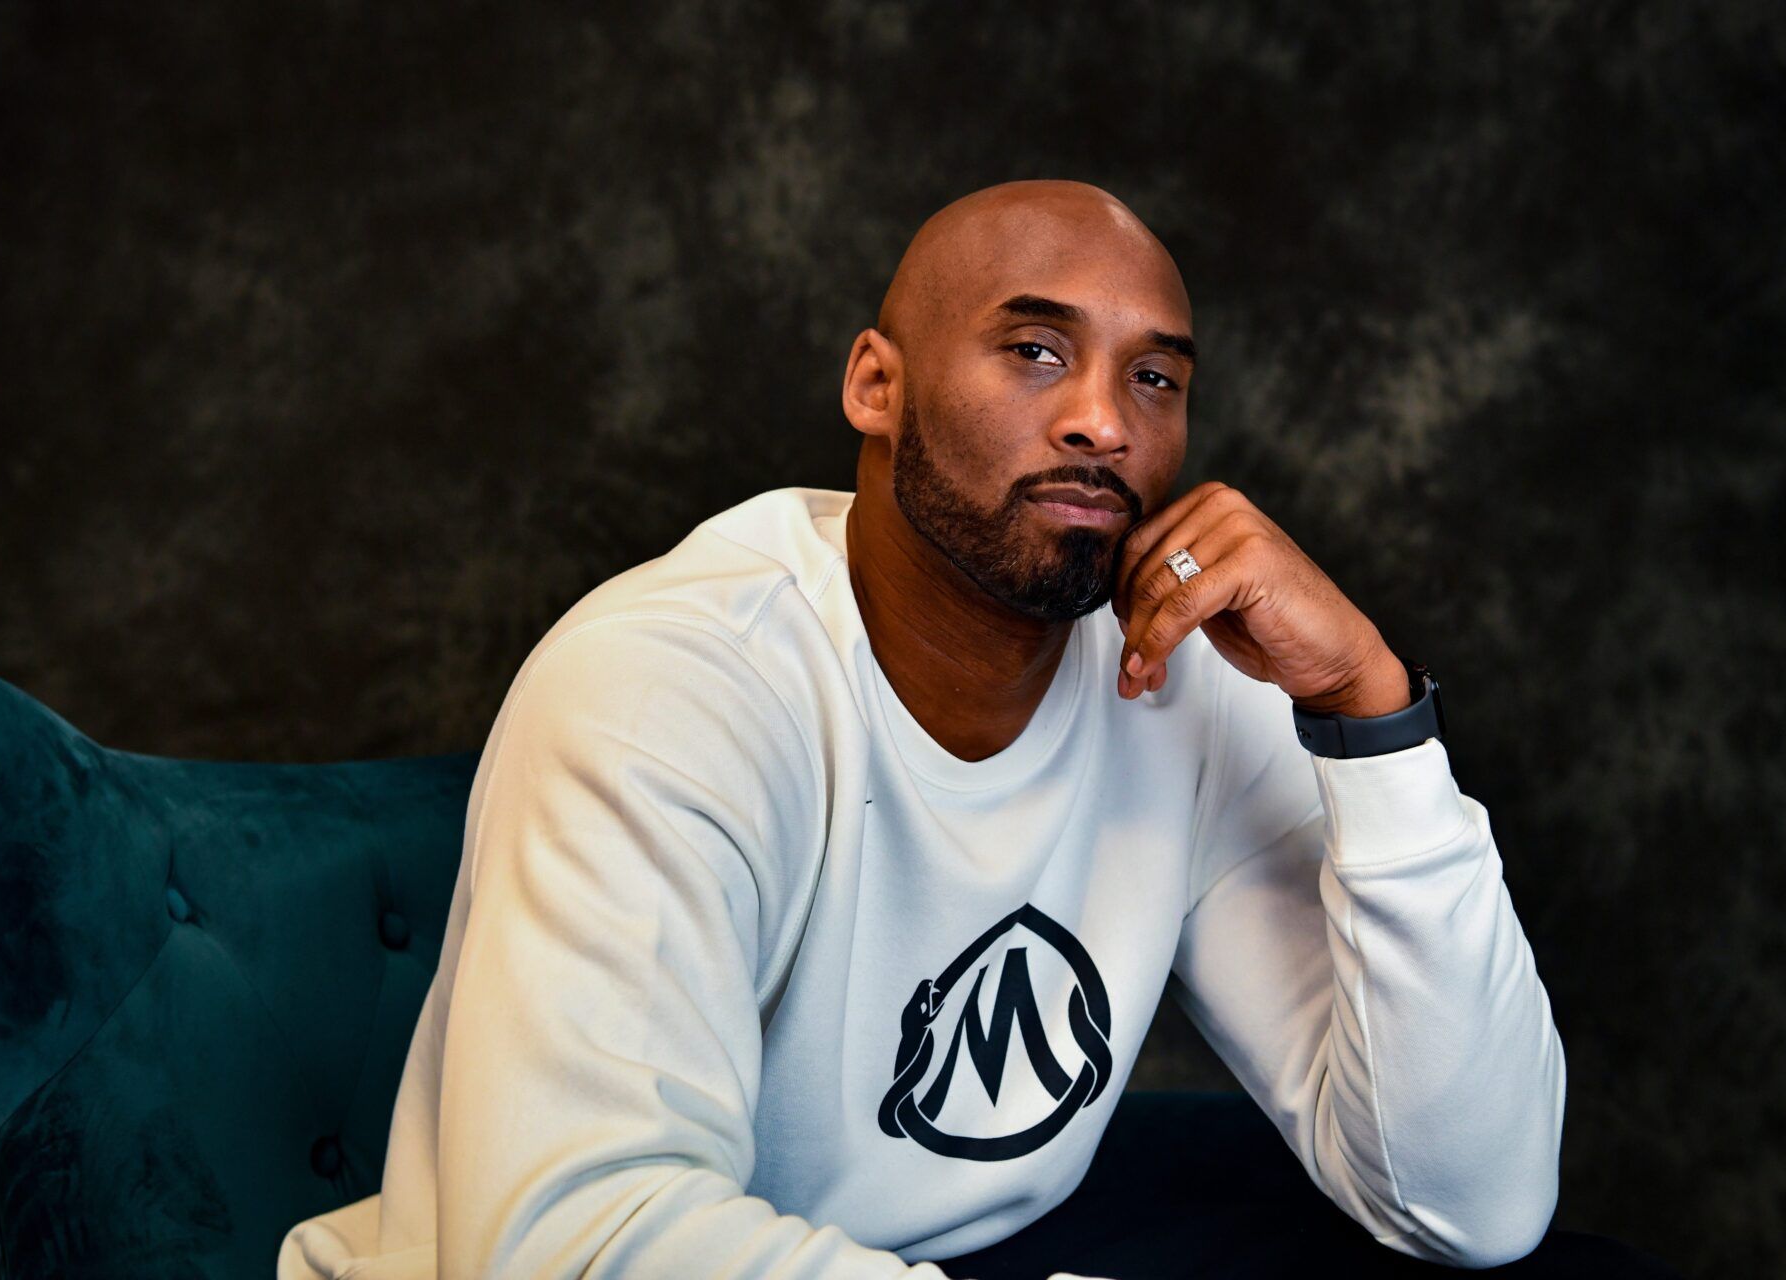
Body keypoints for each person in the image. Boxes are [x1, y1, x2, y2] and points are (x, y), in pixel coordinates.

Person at [278, 180, 1678, 1278]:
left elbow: (1473, 1205)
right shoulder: (671, 681)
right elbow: (572, 1243)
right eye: (1033, 349)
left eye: (1155, 379)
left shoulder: (1179, 677)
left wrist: (1368, 713)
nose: (1100, 424)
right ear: (875, 387)